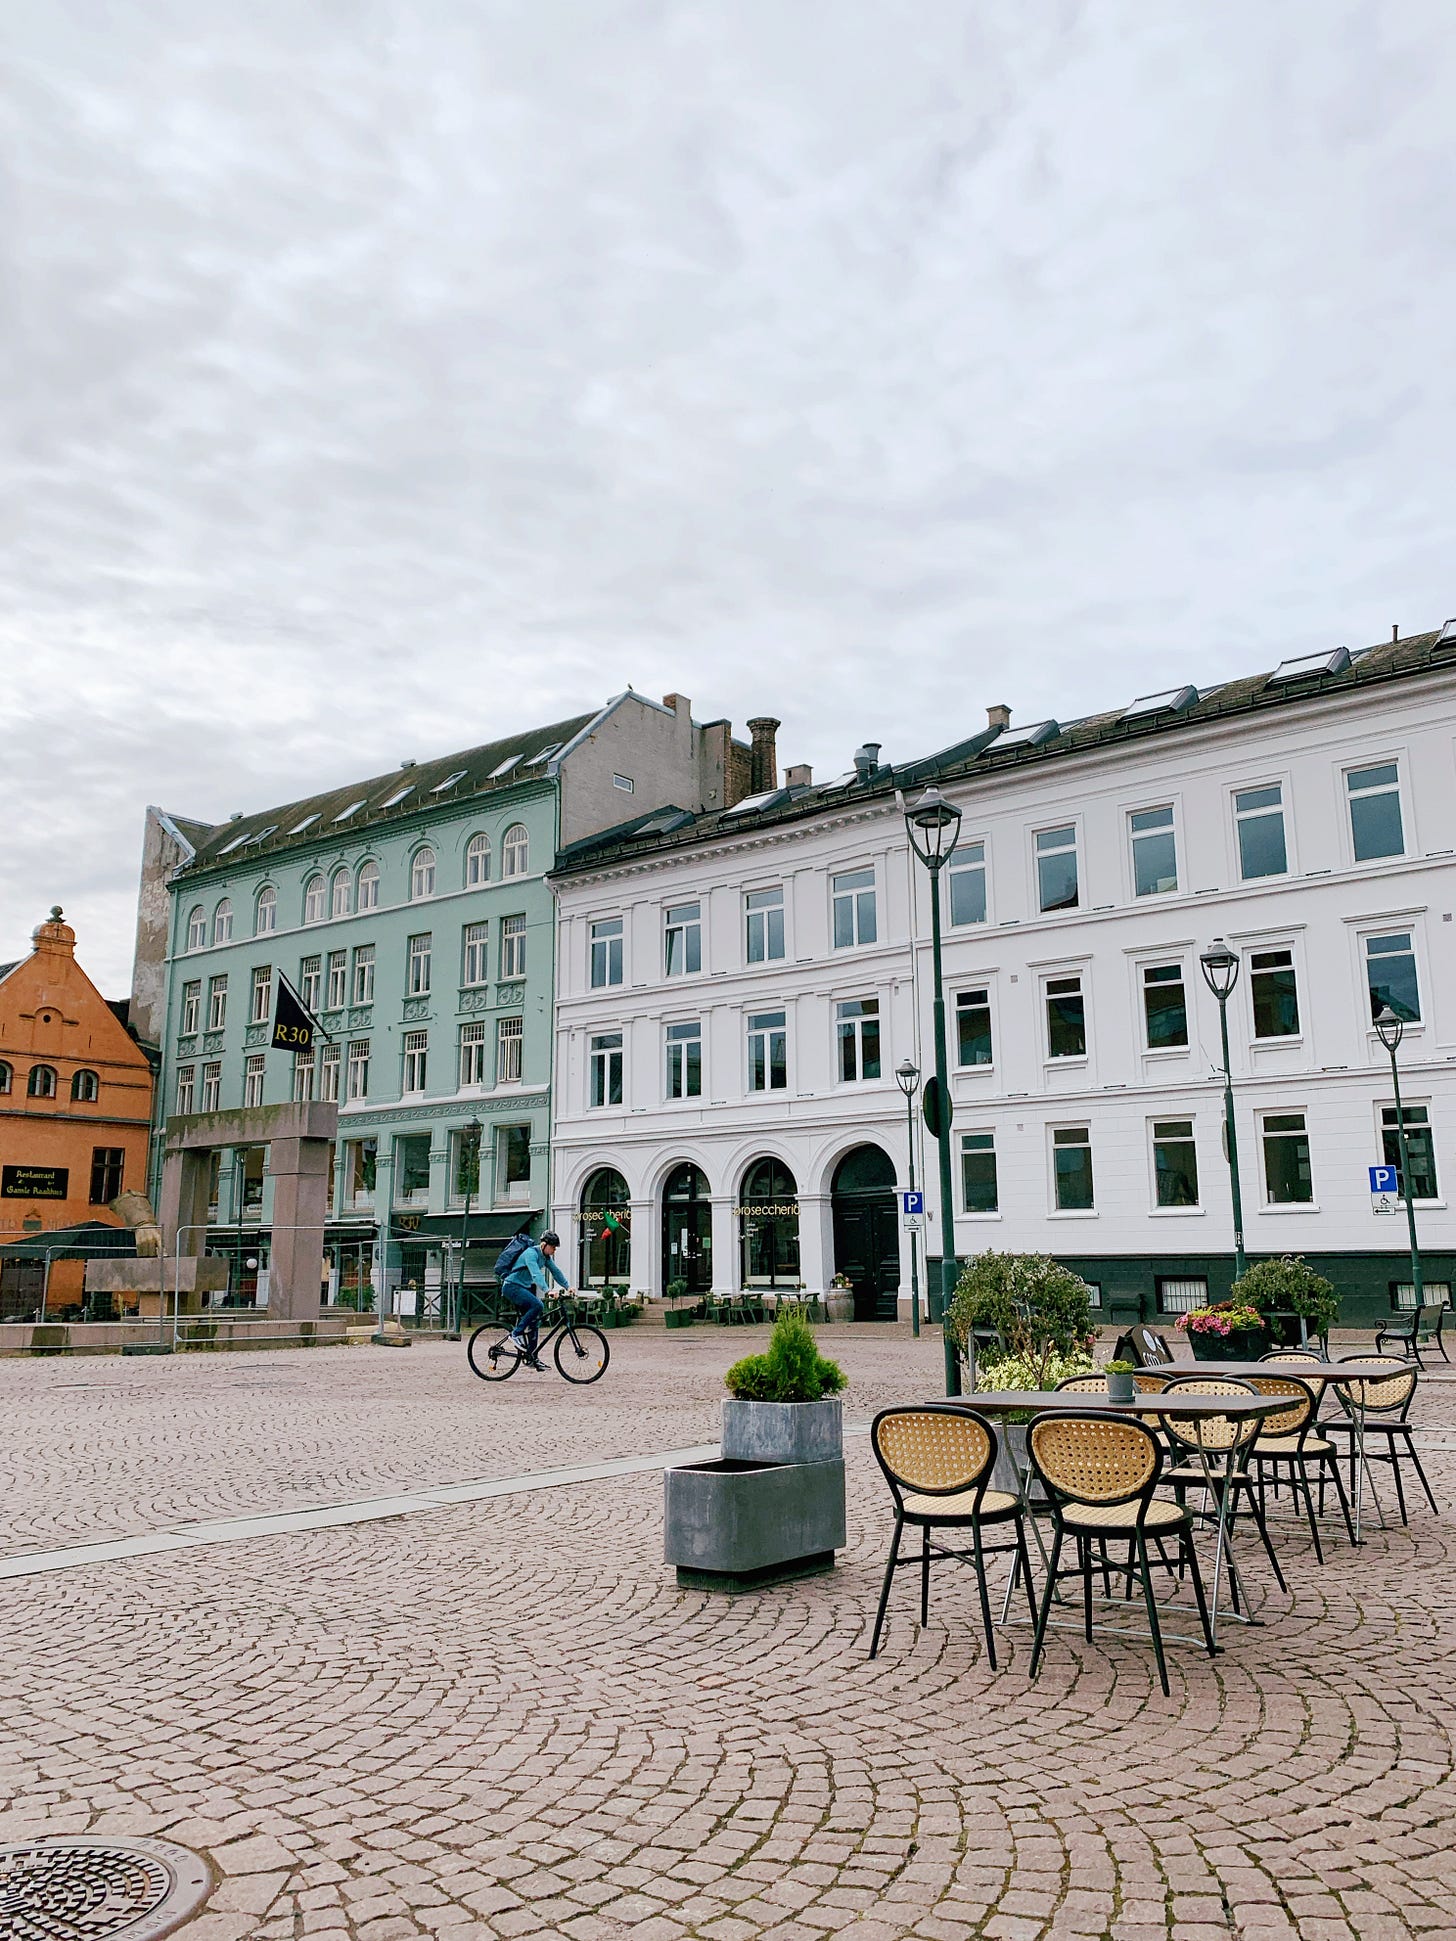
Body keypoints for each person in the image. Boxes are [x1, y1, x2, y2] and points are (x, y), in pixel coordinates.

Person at [500, 1231, 570, 1370]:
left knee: (535, 1322)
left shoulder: (545, 1257)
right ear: (544, 1245)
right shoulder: (530, 1254)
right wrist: (547, 1290)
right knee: (537, 1305)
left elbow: (556, 1272)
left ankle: (532, 1358)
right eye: (553, 1247)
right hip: (512, 1286)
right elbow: (536, 1274)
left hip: (522, 1288)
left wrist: (568, 1286)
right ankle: (515, 1334)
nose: (554, 1250)